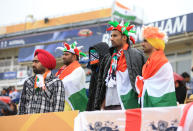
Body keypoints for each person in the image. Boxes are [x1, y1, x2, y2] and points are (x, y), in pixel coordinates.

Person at [93, 21, 146, 110]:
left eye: (115, 36)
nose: (111, 38)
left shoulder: (136, 54)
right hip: (109, 104)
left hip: (129, 103)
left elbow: (143, 77)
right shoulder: (108, 57)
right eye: (111, 36)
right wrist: (101, 102)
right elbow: (101, 82)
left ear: (124, 37)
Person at [136, 26, 177, 107]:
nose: (142, 44)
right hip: (154, 109)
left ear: (153, 42)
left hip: (161, 109)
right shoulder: (150, 62)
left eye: (145, 41)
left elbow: (150, 83)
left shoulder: (160, 61)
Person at [18, 49, 65, 114]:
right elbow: (21, 106)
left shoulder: (56, 82)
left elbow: (58, 109)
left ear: (45, 63)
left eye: (36, 62)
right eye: (33, 62)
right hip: (28, 123)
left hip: (46, 123)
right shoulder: (28, 81)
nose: (33, 65)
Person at [55, 42, 88, 112]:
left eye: (66, 54)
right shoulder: (62, 70)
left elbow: (68, 83)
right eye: (63, 54)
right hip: (63, 105)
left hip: (73, 106)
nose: (63, 56)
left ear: (74, 57)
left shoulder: (78, 69)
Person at [86, 42, 110, 111]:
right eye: (92, 54)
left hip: (106, 107)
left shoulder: (108, 68)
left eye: (95, 53)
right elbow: (91, 94)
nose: (93, 57)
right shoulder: (94, 70)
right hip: (94, 108)